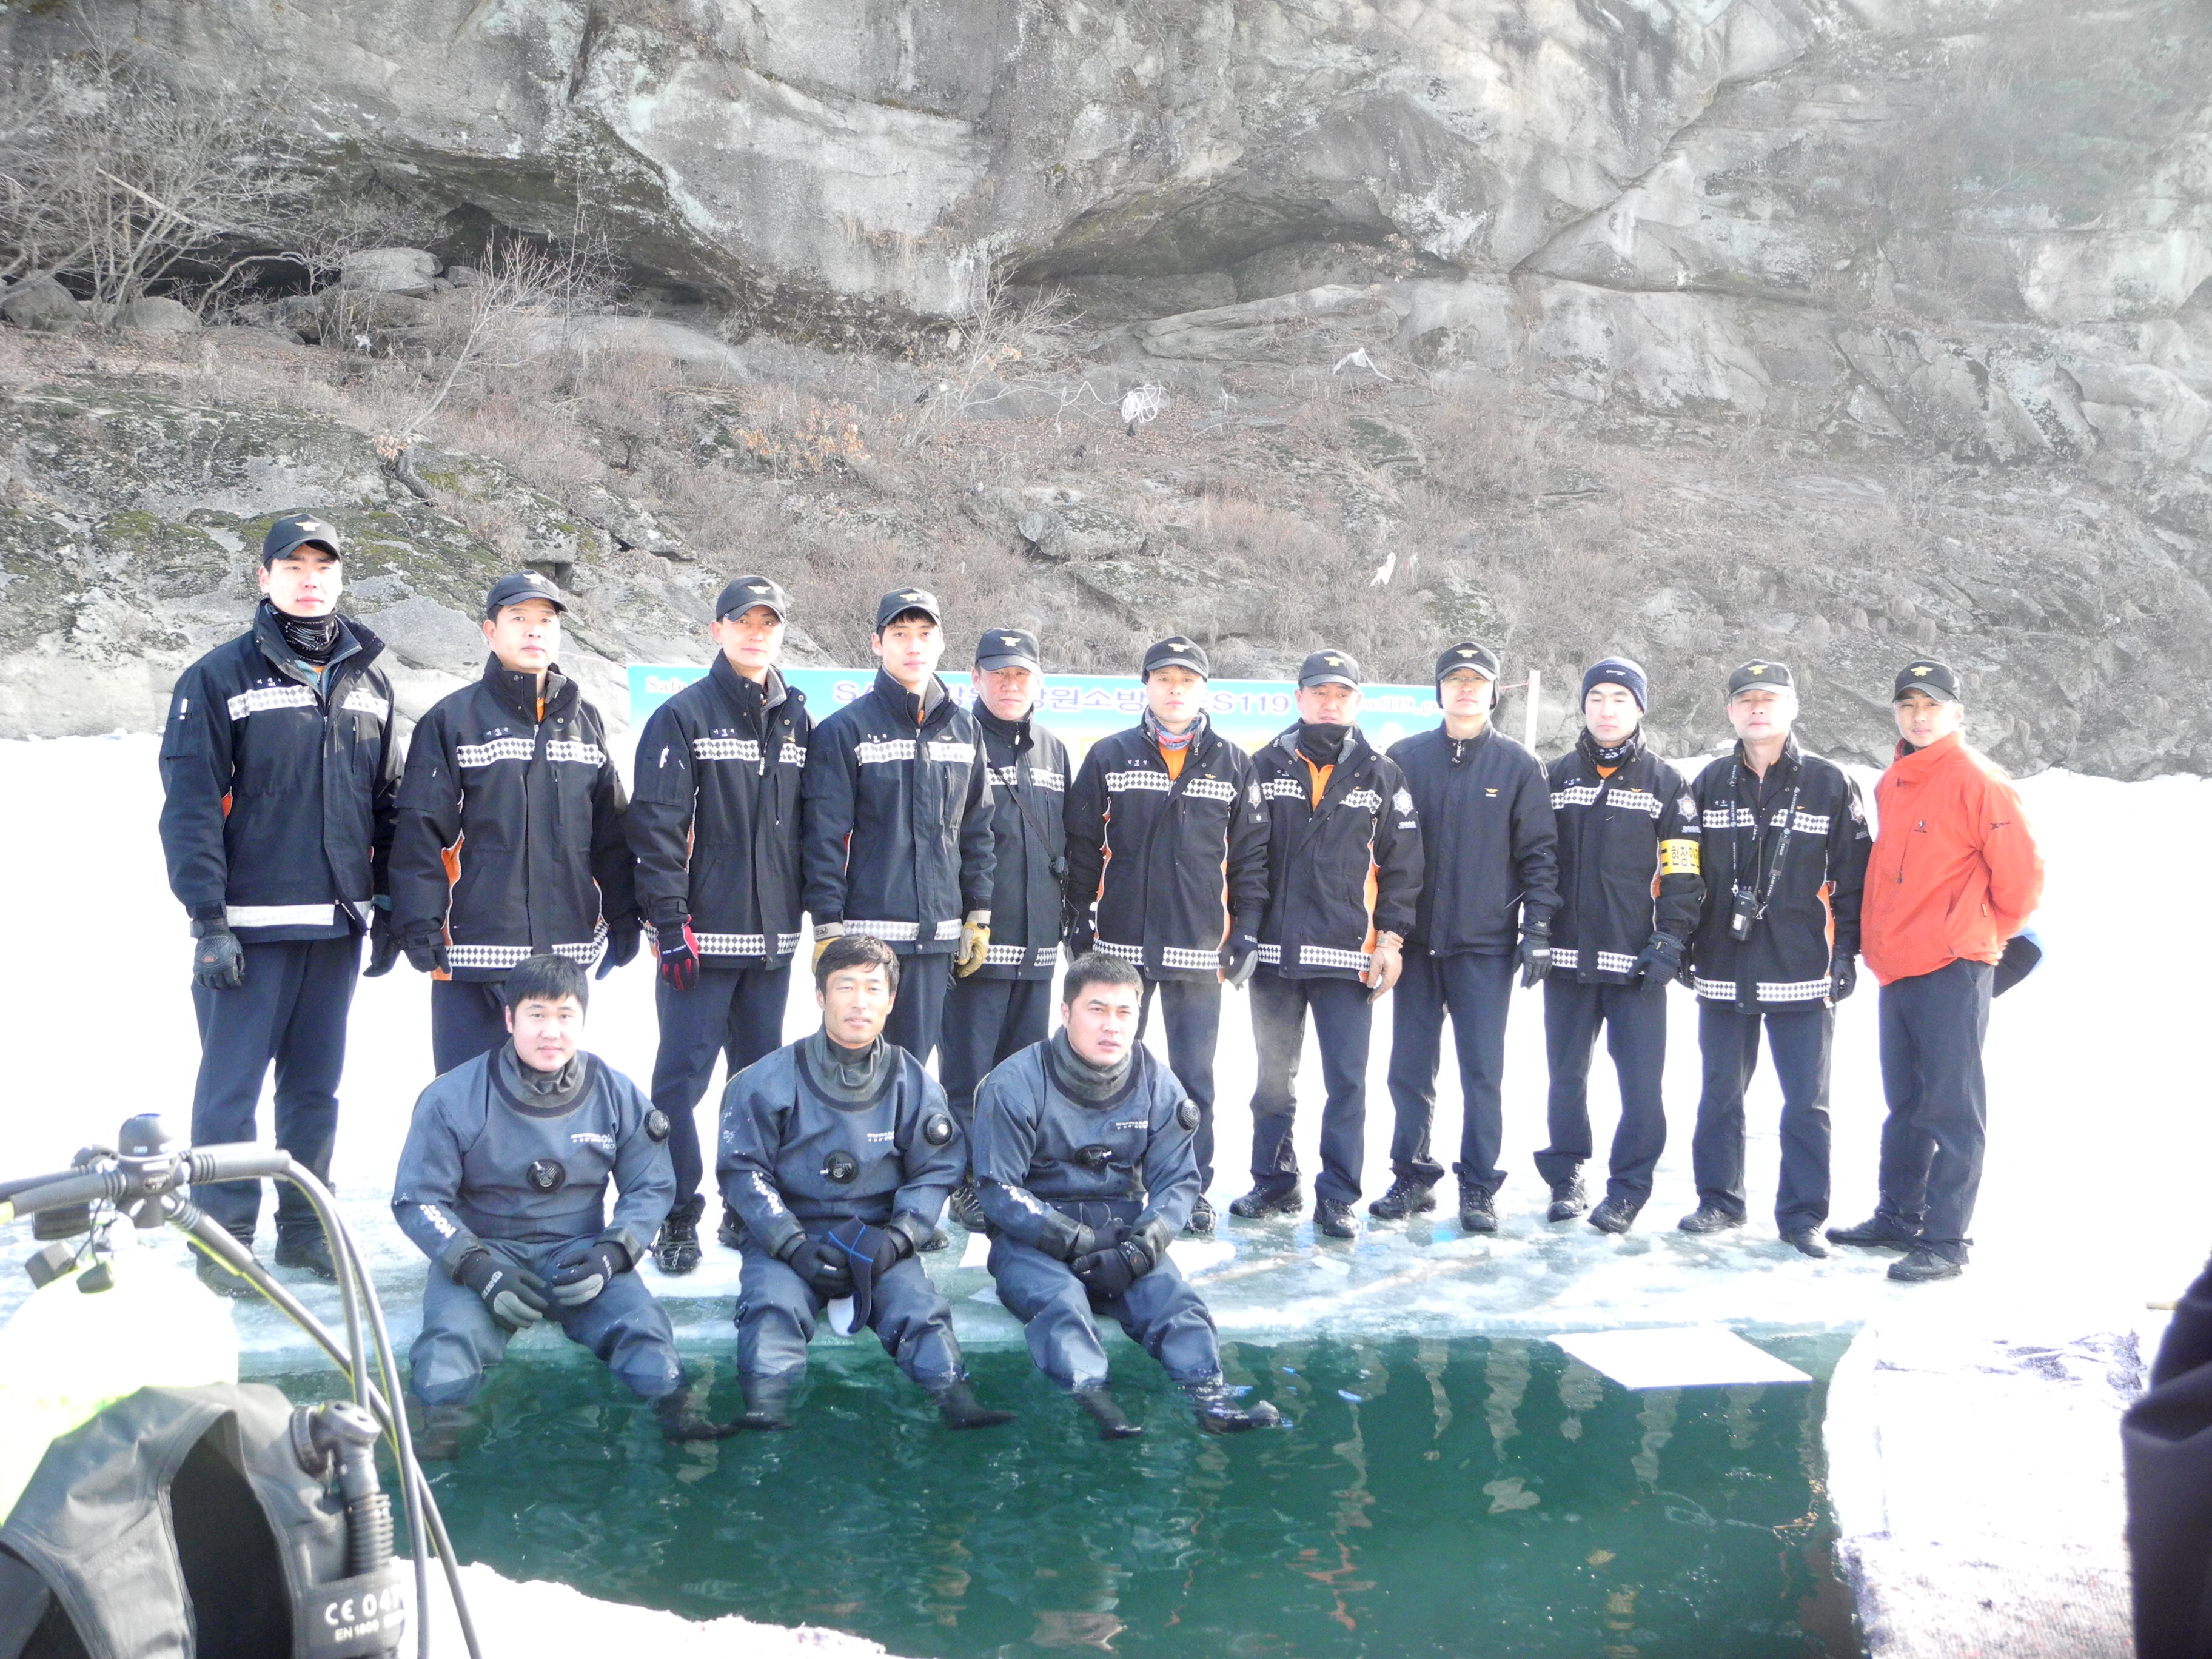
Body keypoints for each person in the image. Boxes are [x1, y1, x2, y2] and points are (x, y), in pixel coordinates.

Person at [158, 515, 403, 1290]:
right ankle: (224, 1239)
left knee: (314, 1091)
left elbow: (387, 805)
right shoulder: (219, 677)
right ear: (264, 579)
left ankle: (305, 1230)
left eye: (322, 566)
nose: (309, 579)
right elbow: (190, 807)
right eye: (293, 566)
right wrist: (207, 919)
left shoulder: (369, 682)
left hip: (336, 924)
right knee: (229, 1094)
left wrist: (388, 902)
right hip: (248, 930)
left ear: (340, 578)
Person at [390, 953, 733, 1454]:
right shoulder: (452, 1097)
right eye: (537, 1015)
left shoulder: (613, 1092)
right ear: (510, 1019)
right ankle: (438, 1442)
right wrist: (476, 1267)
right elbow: (418, 1199)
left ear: (582, 1020)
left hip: (579, 1254)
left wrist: (614, 1252)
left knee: (643, 1329)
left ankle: (676, 1417)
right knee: (448, 1345)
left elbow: (651, 1184)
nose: (551, 1031)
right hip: (486, 1253)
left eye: (565, 1015)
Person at [973, 953, 1284, 1438]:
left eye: (1124, 1013)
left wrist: (1141, 1250)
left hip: (1121, 1233)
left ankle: (1212, 1402)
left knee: (1175, 1304)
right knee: (1061, 1303)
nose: (1111, 1026)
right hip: (1031, 1239)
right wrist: (1073, 1240)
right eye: (1096, 1010)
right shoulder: (1014, 1083)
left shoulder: (1157, 1082)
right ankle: (1097, 1403)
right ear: (1066, 1012)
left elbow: (1178, 1181)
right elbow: (998, 1189)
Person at [716, 933, 1014, 1430]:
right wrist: (791, 1245)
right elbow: (742, 1171)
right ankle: (766, 1412)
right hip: (790, 1237)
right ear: (820, 996)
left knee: (918, 1310)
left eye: (874, 988)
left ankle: (957, 1402)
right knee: (771, 1309)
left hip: (876, 1239)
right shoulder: (767, 1080)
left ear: (891, 1000)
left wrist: (899, 1238)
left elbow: (937, 1168)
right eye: (846, 986)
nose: (860, 1001)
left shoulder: (911, 1080)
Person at [1829, 660, 2043, 1281]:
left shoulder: (1979, 780)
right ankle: (1899, 1216)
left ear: (1957, 713)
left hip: (1954, 964)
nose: (1919, 717)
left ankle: (1947, 1240)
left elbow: (2023, 881)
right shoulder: (1894, 780)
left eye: (1932, 706)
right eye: (1908, 706)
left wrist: (1974, 935)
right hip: (1898, 964)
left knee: (1952, 1108)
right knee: (1906, 1102)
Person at [626, 574, 811, 1273]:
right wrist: (669, 922)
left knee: (759, 1086)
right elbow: (658, 829)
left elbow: (812, 828)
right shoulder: (683, 716)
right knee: (679, 1083)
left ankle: (747, 1205)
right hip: (700, 944)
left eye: (768, 623)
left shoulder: (798, 720)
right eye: (743, 621)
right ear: (718, 629)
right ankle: (676, 1212)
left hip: (772, 943)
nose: (756, 633)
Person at [390, 571, 641, 1075]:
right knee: (467, 1097)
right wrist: (419, 923)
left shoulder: (585, 721)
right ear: (491, 631)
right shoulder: (451, 719)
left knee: (552, 1099)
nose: (534, 631)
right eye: (519, 618)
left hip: (563, 956)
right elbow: (421, 831)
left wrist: (624, 913)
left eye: (546, 620)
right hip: (472, 954)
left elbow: (610, 834)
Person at [1062, 635, 1269, 1236]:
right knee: (1109, 1068)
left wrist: (1248, 929)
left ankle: (1189, 1187)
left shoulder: (1235, 763)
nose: (1175, 690)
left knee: (1193, 1078)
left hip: (1199, 951)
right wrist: (1078, 914)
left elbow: (1251, 859)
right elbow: (1082, 845)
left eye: (1187, 681)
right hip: (1120, 950)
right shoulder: (1110, 755)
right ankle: (1107, 1180)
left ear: (1205, 690)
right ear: (1146, 686)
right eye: (1164, 679)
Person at [1680, 661, 1870, 1257]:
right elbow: (1682, 870)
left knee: (1807, 1103)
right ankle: (1719, 1200)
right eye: (1746, 700)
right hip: (1722, 964)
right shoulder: (1708, 782)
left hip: (1802, 967)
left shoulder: (1830, 783)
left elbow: (1854, 880)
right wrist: (1680, 940)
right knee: (1719, 1093)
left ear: (1793, 708)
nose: (1757, 709)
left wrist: (1847, 953)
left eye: (1769, 699)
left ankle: (1802, 1217)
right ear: (1730, 712)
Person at [1230, 649, 1423, 1240]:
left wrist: (1391, 940)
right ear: (1300, 698)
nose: (1330, 703)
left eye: (1342, 694)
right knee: (1272, 1081)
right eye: (1320, 693)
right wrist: (1243, 931)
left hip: (1349, 958)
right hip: (1276, 956)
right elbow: (1245, 859)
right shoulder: (1264, 764)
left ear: (1358, 702)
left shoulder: (1383, 774)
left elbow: (1403, 868)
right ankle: (1274, 1180)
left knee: (1347, 1084)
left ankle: (1338, 1196)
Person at [1376, 643, 1559, 1233]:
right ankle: (1412, 1175)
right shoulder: (1404, 759)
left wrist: (1537, 928)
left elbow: (1539, 856)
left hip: (1485, 946)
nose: (1465, 689)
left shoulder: (1518, 765)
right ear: (1438, 691)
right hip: (1415, 943)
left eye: (1476, 681)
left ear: (1494, 693)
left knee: (1482, 1074)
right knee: (1409, 1070)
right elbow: (1382, 852)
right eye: (1454, 679)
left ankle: (1479, 1185)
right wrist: (1385, 932)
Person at [1537, 657, 1703, 1233]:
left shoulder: (1667, 784)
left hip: (1637, 967)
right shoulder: (1555, 778)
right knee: (1565, 1079)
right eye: (1597, 698)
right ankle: (1566, 1177)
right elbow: (1535, 862)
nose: (1607, 710)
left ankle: (1628, 1189)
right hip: (1566, 962)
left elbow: (1683, 871)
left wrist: (1670, 940)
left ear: (1640, 708)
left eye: (1620, 699)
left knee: (1641, 1087)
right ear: (1583, 706)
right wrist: (1535, 930)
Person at [800, 588, 994, 1073]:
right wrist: (827, 926)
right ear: (877, 643)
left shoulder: (966, 730)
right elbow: (823, 839)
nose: (914, 646)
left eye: (925, 635)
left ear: (941, 643)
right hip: (865, 942)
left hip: (937, 939)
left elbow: (977, 831)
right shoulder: (845, 730)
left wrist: (978, 912)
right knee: (853, 1071)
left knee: (911, 1071)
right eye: (900, 634)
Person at [939, 627, 1070, 1233]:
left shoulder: (1053, 750)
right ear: (975, 678)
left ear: (1038, 681)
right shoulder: (956, 738)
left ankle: (1010, 1173)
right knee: (967, 1076)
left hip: (1038, 949)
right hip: (977, 946)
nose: (1010, 684)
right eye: (998, 674)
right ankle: (965, 1179)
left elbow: (1070, 844)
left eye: (1021, 674)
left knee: (1023, 1075)